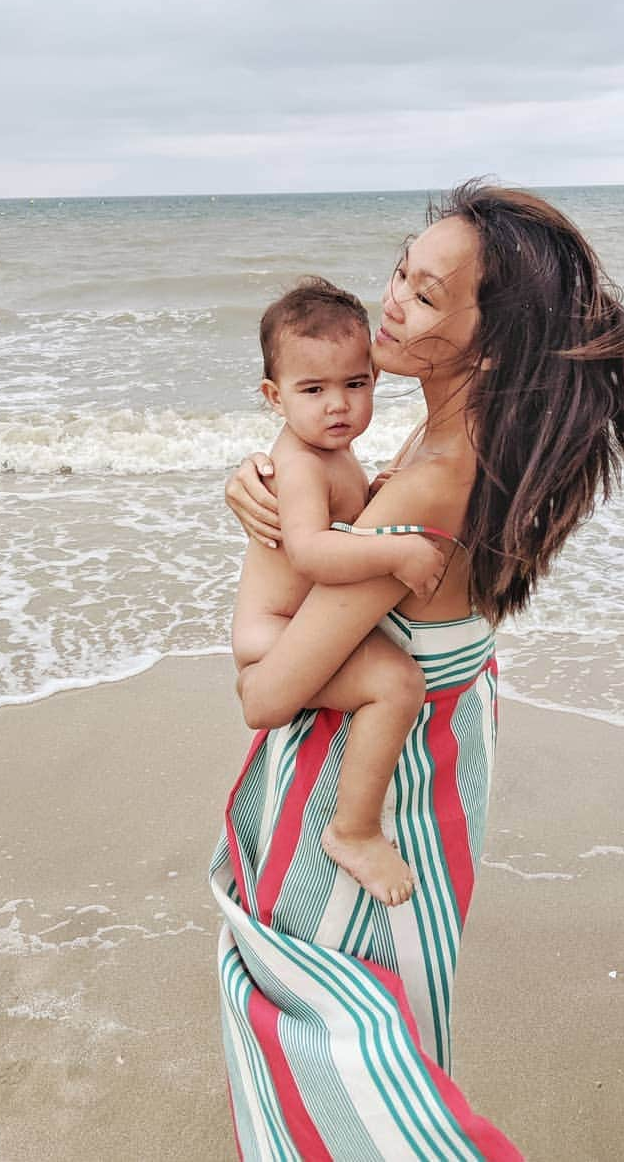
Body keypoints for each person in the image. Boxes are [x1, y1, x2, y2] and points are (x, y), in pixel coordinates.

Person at [211, 180, 624, 1159]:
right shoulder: (473, 443)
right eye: (401, 271)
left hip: (358, 798)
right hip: (432, 771)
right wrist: (277, 498)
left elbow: (265, 693)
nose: (391, 299)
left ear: (489, 341)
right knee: (396, 1011)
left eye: (426, 296)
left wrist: (298, 549)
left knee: (330, 1036)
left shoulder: (433, 480)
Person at [232, 275, 448, 906]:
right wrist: (397, 549)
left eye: (355, 384)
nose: (339, 406)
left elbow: (336, 525)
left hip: (287, 626)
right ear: (275, 396)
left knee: (391, 680)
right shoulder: (298, 461)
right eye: (314, 389)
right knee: (396, 683)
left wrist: (375, 497)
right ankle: (354, 830)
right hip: (273, 632)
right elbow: (312, 551)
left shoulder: (334, 453)